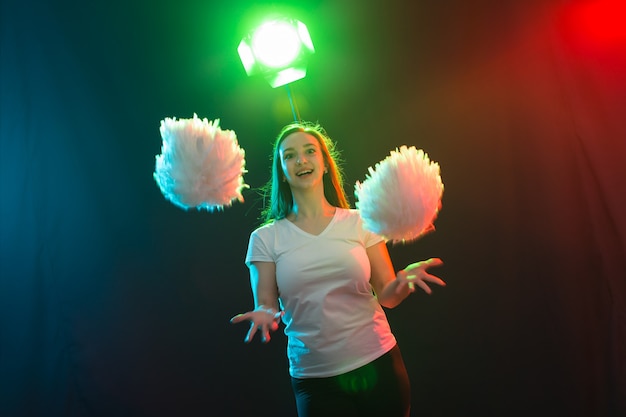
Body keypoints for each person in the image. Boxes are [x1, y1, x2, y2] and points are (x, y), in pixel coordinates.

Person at [230, 121, 445, 417]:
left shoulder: (360, 221)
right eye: (289, 155)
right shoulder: (265, 239)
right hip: (315, 380)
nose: (301, 160)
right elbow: (266, 304)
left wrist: (404, 280)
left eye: (309, 151)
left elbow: (388, 296)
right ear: (281, 170)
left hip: (378, 364)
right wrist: (264, 314)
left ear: (325, 163)